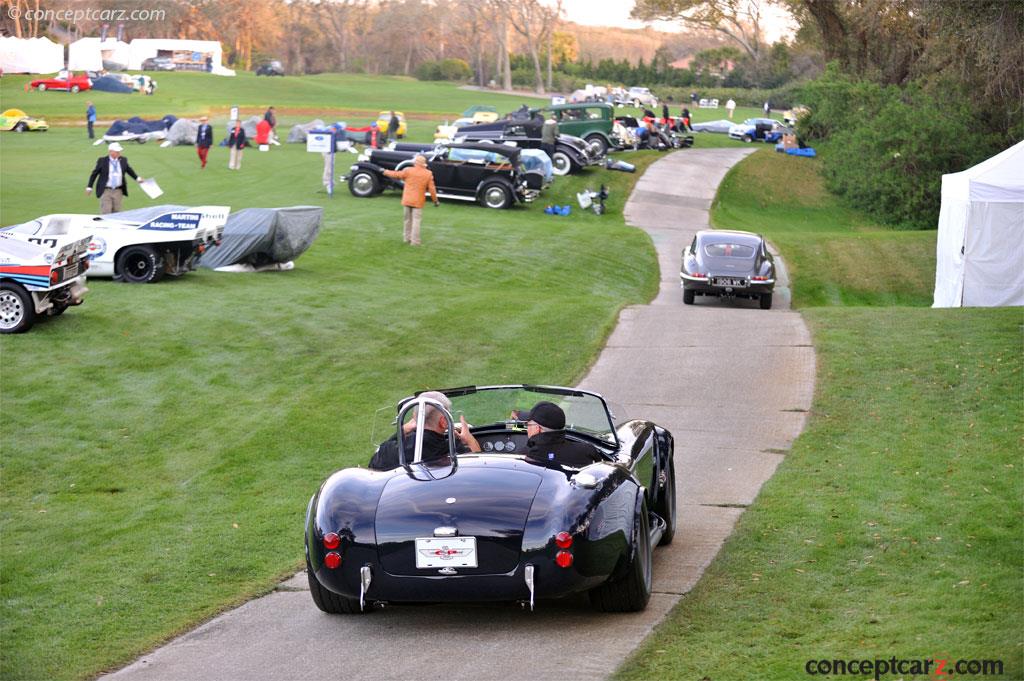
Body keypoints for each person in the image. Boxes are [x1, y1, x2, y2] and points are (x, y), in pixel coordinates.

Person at [368, 391, 479, 470]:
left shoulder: (389, 450)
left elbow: (373, 465)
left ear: (414, 416)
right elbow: (479, 464)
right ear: (443, 421)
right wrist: (469, 440)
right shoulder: (452, 448)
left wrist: (403, 430)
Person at [518, 401, 601, 468]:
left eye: (528, 425)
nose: (527, 429)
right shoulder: (587, 451)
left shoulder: (523, 456)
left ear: (537, 428)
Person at [382, 155, 438, 246]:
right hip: (418, 201)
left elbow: (396, 174)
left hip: (407, 200)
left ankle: (406, 238)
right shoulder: (428, 174)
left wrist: (385, 172)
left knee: (407, 220)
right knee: (416, 221)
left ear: (415, 163)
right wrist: (435, 201)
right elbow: (432, 189)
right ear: (424, 164)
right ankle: (415, 241)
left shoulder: (408, 171)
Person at [85, 142, 145, 214]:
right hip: (106, 190)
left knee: (117, 212)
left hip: (118, 191)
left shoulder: (123, 160)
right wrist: (89, 187)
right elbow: (94, 174)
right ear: (110, 151)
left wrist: (137, 178)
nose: (119, 153)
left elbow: (129, 170)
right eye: (117, 151)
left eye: (119, 151)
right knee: (106, 211)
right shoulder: (102, 161)